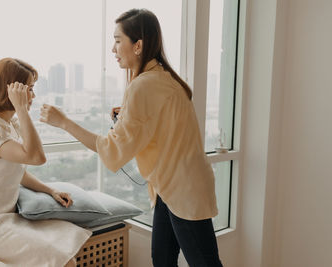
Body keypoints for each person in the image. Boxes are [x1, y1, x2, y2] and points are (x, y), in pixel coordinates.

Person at [40, 9, 223, 267]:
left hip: (183, 189)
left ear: (137, 45)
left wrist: (64, 123)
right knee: (161, 259)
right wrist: (127, 117)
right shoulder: (161, 77)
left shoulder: (143, 85)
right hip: (170, 188)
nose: (113, 50)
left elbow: (112, 149)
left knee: (204, 263)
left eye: (117, 40)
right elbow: (159, 126)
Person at [0, 58, 91, 267]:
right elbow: (36, 157)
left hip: (2, 219)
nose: (33, 95)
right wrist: (21, 107)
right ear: (10, 89)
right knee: (65, 263)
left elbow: (17, 172)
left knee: (66, 246)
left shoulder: (11, 124)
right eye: (29, 88)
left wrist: (51, 190)